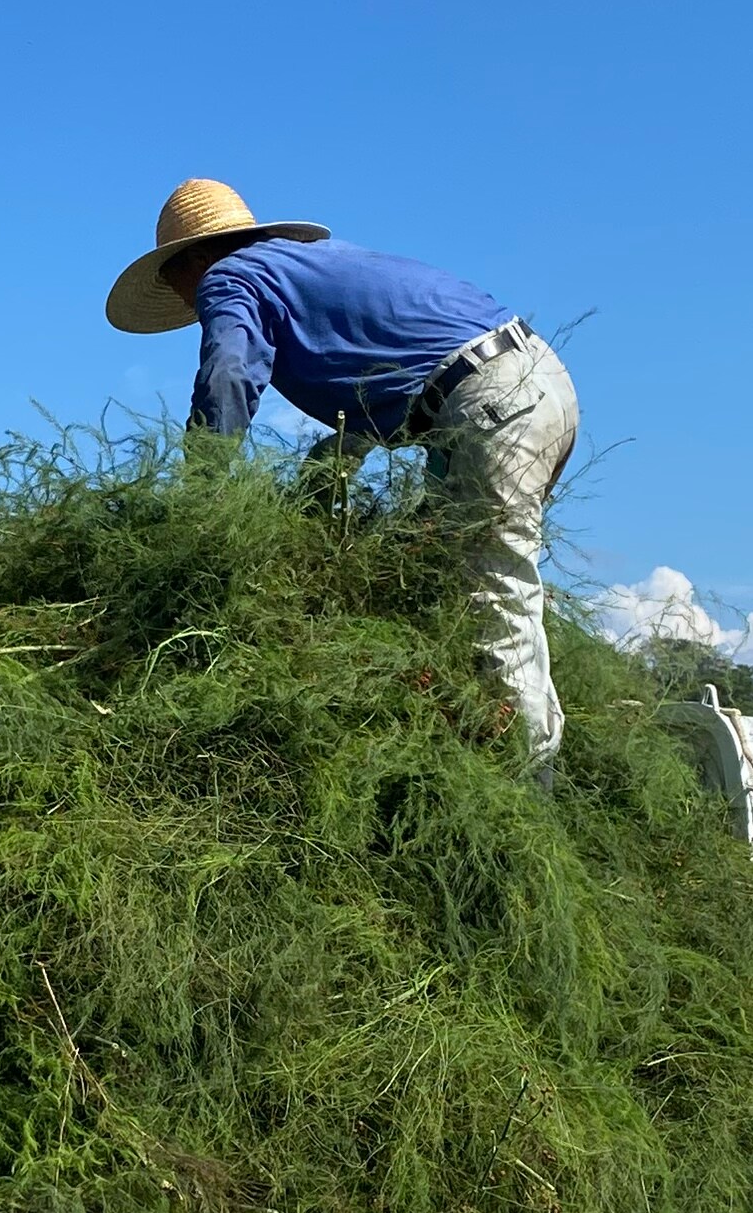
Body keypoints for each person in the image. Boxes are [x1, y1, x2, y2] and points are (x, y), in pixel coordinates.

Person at [106, 177, 580, 778]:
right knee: (450, 572)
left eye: (180, 287)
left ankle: (528, 783)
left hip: (486, 406)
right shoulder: (314, 267)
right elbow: (396, 367)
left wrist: (200, 494)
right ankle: (493, 745)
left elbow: (228, 373)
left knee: (491, 590)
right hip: (536, 383)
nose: (191, 304)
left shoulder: (229, 276)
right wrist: (326, 468)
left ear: (193, 262)